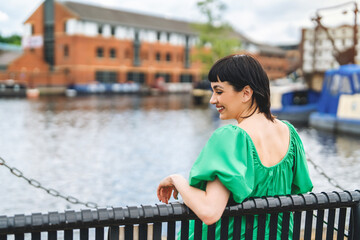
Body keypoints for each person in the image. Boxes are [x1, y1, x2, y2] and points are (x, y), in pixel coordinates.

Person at [157, 54, 313, 239]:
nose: (212, 100)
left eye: (219, 91)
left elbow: (209, 211)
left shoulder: (231, 137)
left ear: (246, 93)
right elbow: (299, 191)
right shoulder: (289, 133)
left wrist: (177, 180)